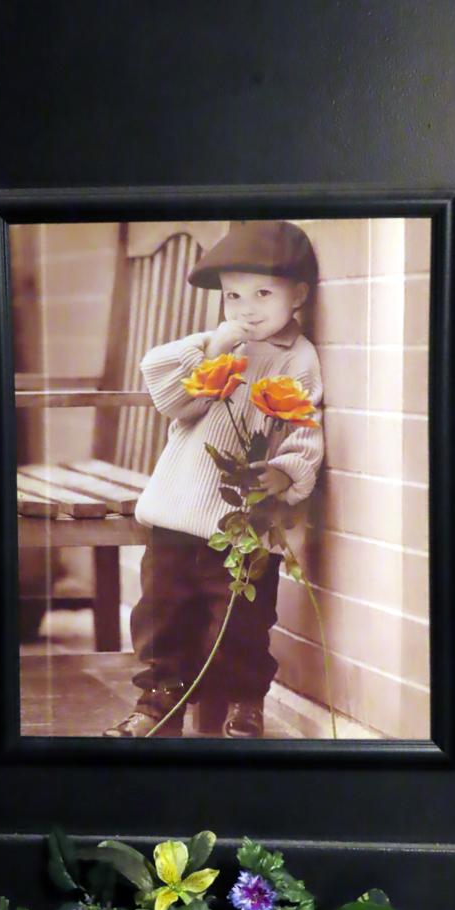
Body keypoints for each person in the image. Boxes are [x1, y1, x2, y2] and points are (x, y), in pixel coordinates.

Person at [103, 220, 324, 739]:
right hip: (179, 510)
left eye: (263, 293)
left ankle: (243, 701)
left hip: (243, 521)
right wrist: (210, 353)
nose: (246, 308)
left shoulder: (299, 358)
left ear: (299, 295)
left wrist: (284, 472)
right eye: (233, 295)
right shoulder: (215, 343)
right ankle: (158, 700)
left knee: (242, 619)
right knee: (162, 612)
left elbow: (305, 427)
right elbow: (169, 395)